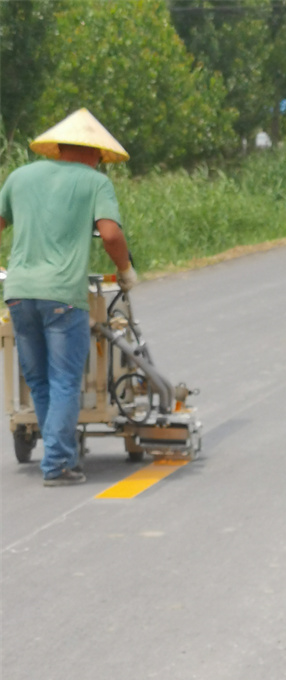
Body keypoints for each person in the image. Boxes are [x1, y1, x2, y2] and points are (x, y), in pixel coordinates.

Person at [0, 108, 137, 486]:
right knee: (63, 381)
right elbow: (110, 235)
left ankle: (61, 454)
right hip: (62, 295)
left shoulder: (20, 176)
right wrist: (125, 269)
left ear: (58, 147)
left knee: (40, 382)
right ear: (96, 153)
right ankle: (58, 464)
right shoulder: (94, 183)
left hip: (18, 295)